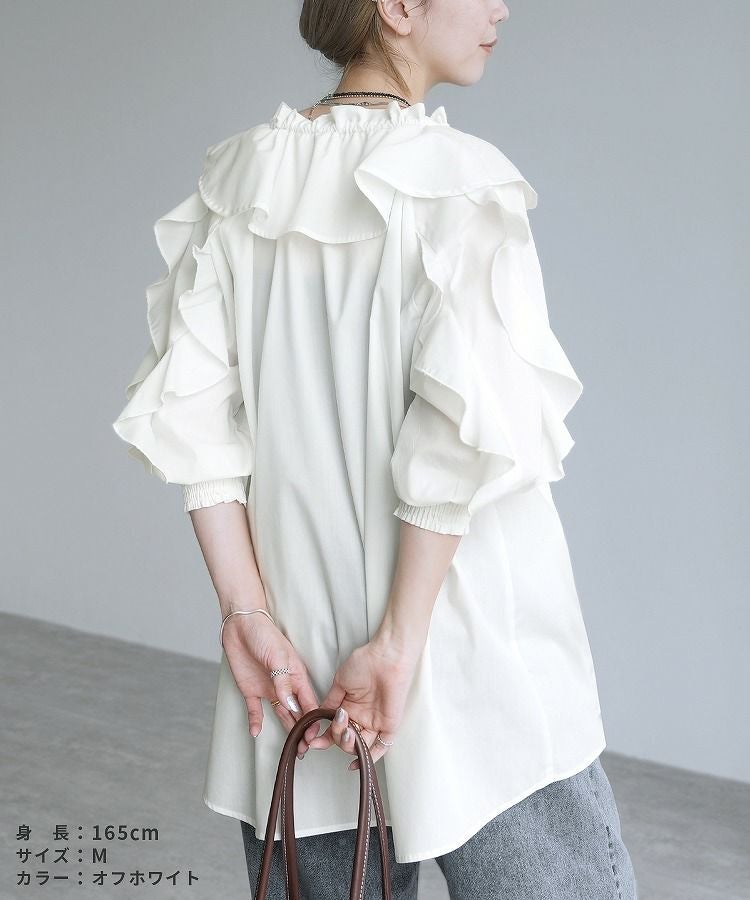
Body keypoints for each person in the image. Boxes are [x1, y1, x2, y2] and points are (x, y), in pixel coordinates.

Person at [112, 0, 639, 897]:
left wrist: (247, 616)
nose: (501, 7)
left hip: (300, 676)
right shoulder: (459, 185)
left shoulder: (237, 183)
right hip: (473, 655)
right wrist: (397, 642)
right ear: (397, 7)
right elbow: (457, 440)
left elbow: (194, 427)